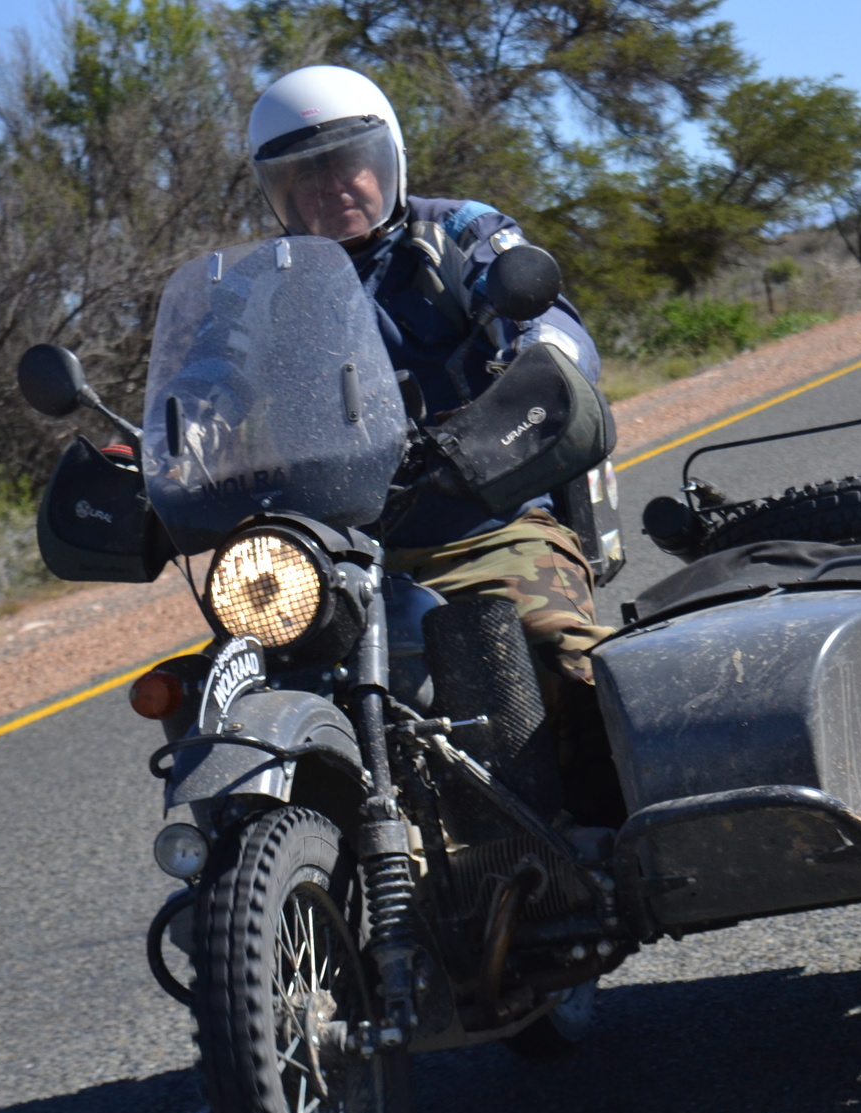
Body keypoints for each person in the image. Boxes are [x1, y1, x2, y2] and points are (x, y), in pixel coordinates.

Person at [247, 65, 621, 822]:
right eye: (303, 177)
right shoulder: (263, 288)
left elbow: (556, 331)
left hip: (486, 520)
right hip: (334, 552)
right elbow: (219, 384)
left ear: (385, 160)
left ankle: (623, 839)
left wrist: (526, 378)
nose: (331, 188)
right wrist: (167, 454)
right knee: (230, 689)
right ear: (277, 192)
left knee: (566, 656)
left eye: (345, 164)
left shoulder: (457, 232)